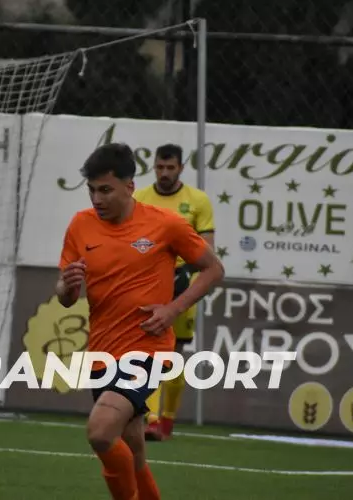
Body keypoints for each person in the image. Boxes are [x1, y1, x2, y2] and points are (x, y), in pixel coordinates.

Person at [56, 143, 224, 500]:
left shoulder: (166, 224)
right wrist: (67, 286)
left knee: (101, 432)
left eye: (105, 190)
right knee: (132, 445)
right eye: (91, 190)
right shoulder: (80, 225)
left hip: (147, 349)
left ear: (129, 186)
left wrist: (173, 309)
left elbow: (213, 269)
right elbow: (66, 295)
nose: (97, 199)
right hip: (102, 351)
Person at [133, 143, 216, 441]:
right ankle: (152, 419)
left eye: (170, 168)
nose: (164, 173)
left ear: (181, 168)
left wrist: (185, 274)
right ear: (153, 167)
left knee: (174, 355)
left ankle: (167, 419)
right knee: (149, 351)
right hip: (149, 284)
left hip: (182, 285)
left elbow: (208, 250)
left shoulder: (197, 201)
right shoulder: (140, 198)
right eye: (160, 167)